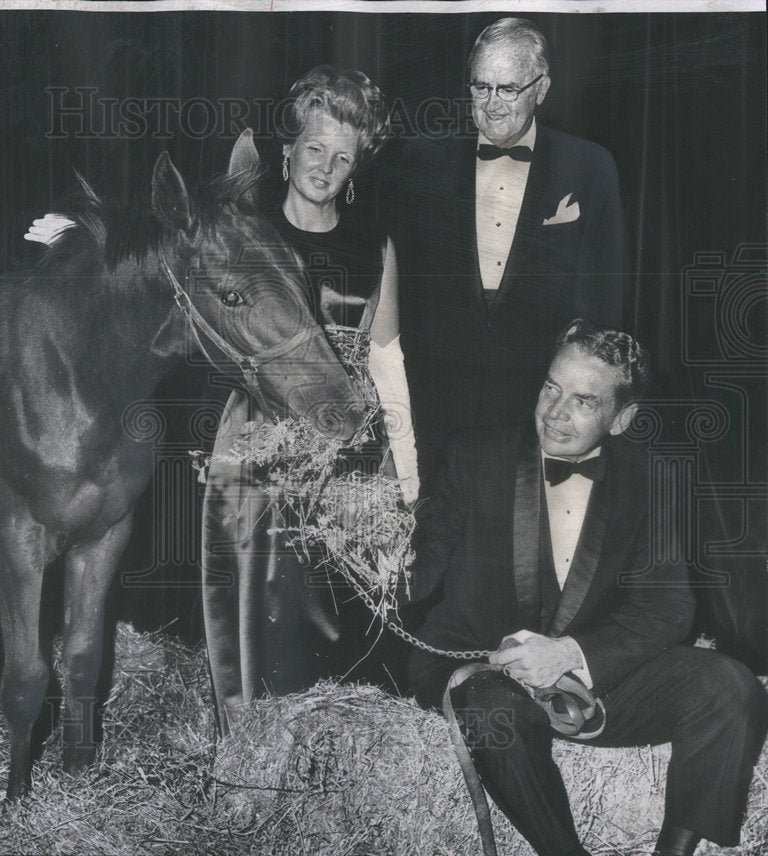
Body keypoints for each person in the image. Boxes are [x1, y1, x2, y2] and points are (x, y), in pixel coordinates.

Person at [406, 319, 767, 856]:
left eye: (583, 401)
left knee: (732, 687)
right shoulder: (471, 456)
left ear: (622, 420)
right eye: (551, 387)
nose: (554, 412)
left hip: (596, 680)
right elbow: (417, 575)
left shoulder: (654, 479)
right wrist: (375, 547)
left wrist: (570, 654)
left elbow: (667, 607)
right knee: (494, 710)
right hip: (483, 673)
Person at [202, 66, 418, 734]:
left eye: (344, 156)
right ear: (289, 148)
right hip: (260, 446)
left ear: (357, 169)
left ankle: (336, 766)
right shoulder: (248, 231)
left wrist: (405, 472)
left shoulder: (373, 244)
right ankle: (254, 752)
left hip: (351, 441)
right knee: (264, 613)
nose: (326, 166)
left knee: (346, 616)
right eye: (316, 148)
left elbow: (387, 358)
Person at [381, 17, 625, 491]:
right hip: (439, 389)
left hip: (536, 390)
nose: (492, 106)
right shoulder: (419, 161)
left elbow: (604, 293)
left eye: (508, 89)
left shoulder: (591, 165)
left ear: (542, 88)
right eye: (481, 87)